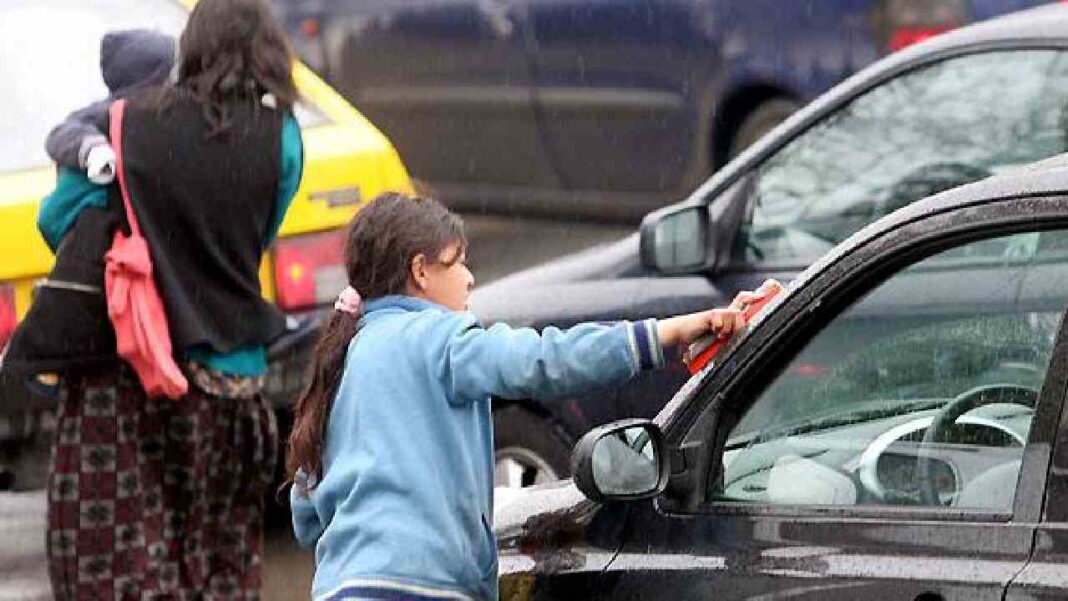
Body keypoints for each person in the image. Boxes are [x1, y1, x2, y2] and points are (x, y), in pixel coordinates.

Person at [286, 192, 767, 601]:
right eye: (458, 262)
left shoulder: (341, 359)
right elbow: (547, 360)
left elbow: (307, 514)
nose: (470, 277)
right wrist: (668, 332)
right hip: (419, 587)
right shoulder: (441, 340)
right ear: (420, 272)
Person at [42, 0, 303, 598]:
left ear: (192, 48)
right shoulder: (282, 135)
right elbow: (258, 234)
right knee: (226, 565)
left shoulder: (125, 125)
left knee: (129, 571)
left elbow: (58, 222)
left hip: (133, 385)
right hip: (239, 389)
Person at [46, 29, 176, 186]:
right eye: (169, 76)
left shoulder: (178, 114)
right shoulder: (107, 115)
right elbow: (62, 133)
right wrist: (94, 149)